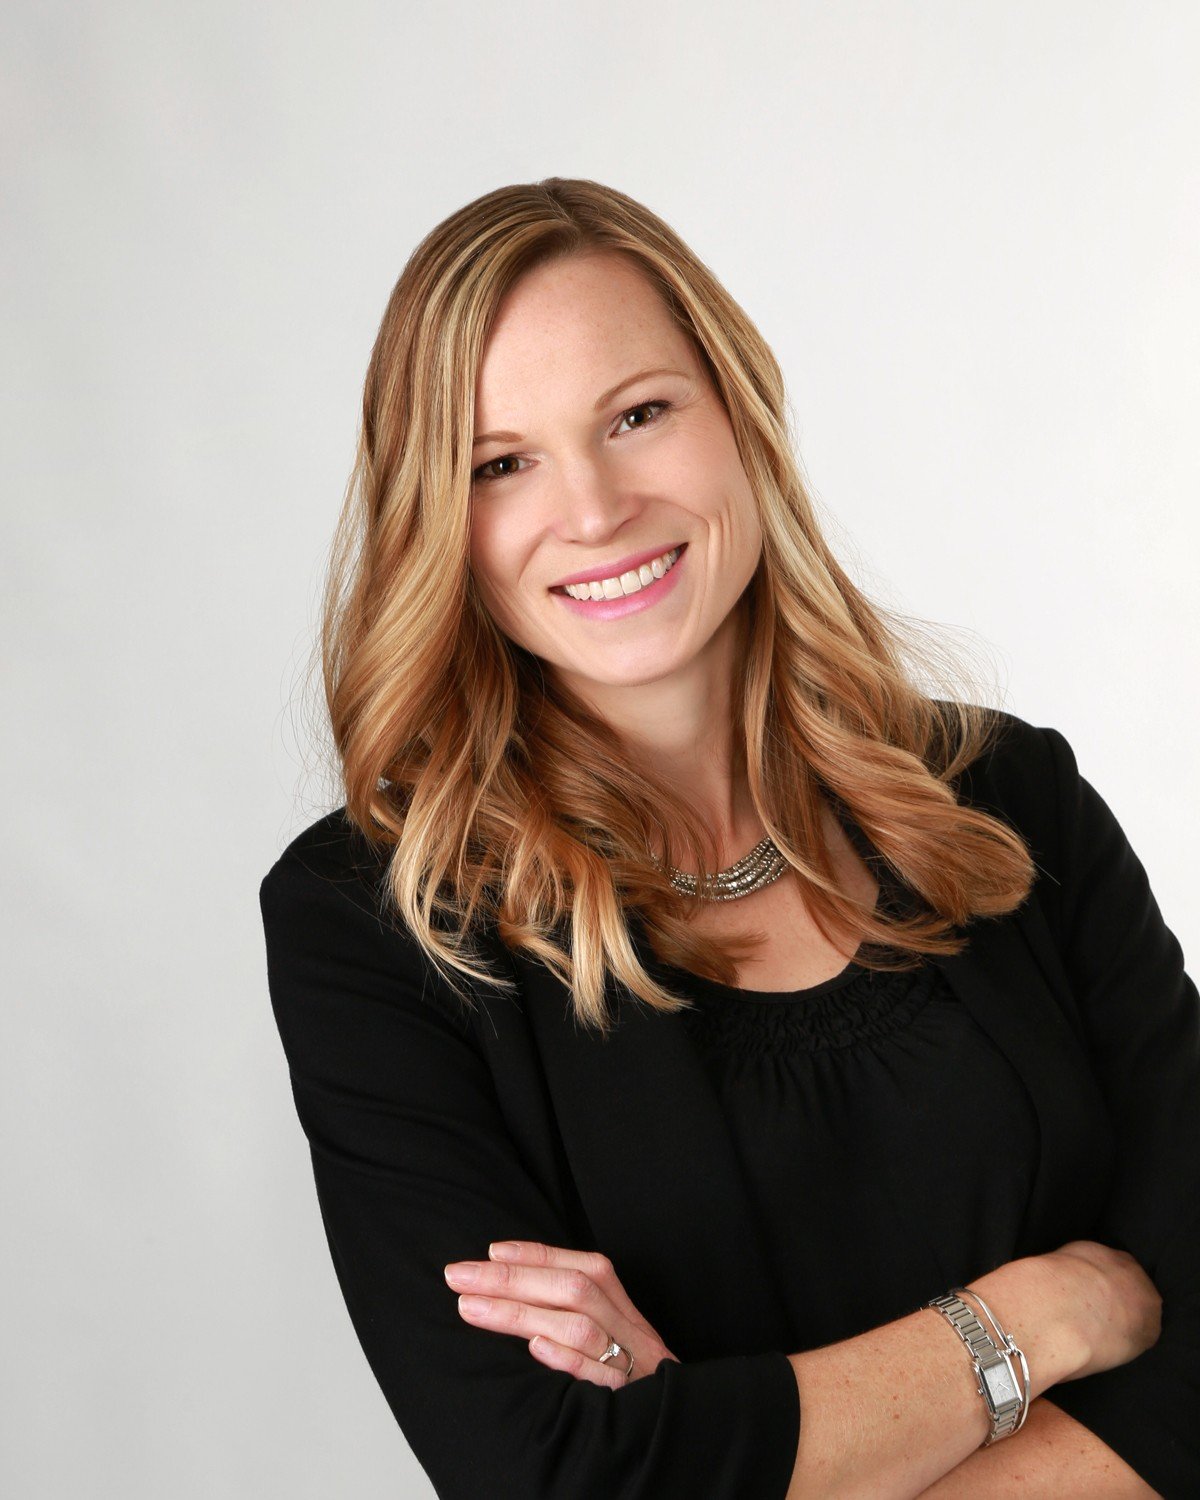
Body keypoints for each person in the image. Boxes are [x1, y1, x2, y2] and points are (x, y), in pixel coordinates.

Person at [258, 177, 1198, 1497]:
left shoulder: (1009, 798)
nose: (592, 510)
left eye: (638, 416)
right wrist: (1055, 1319)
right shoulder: (375, 924)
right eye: (502, 463)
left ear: (740, 417)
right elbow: (561, 1473)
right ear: (443, 524)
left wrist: (729, 1440)